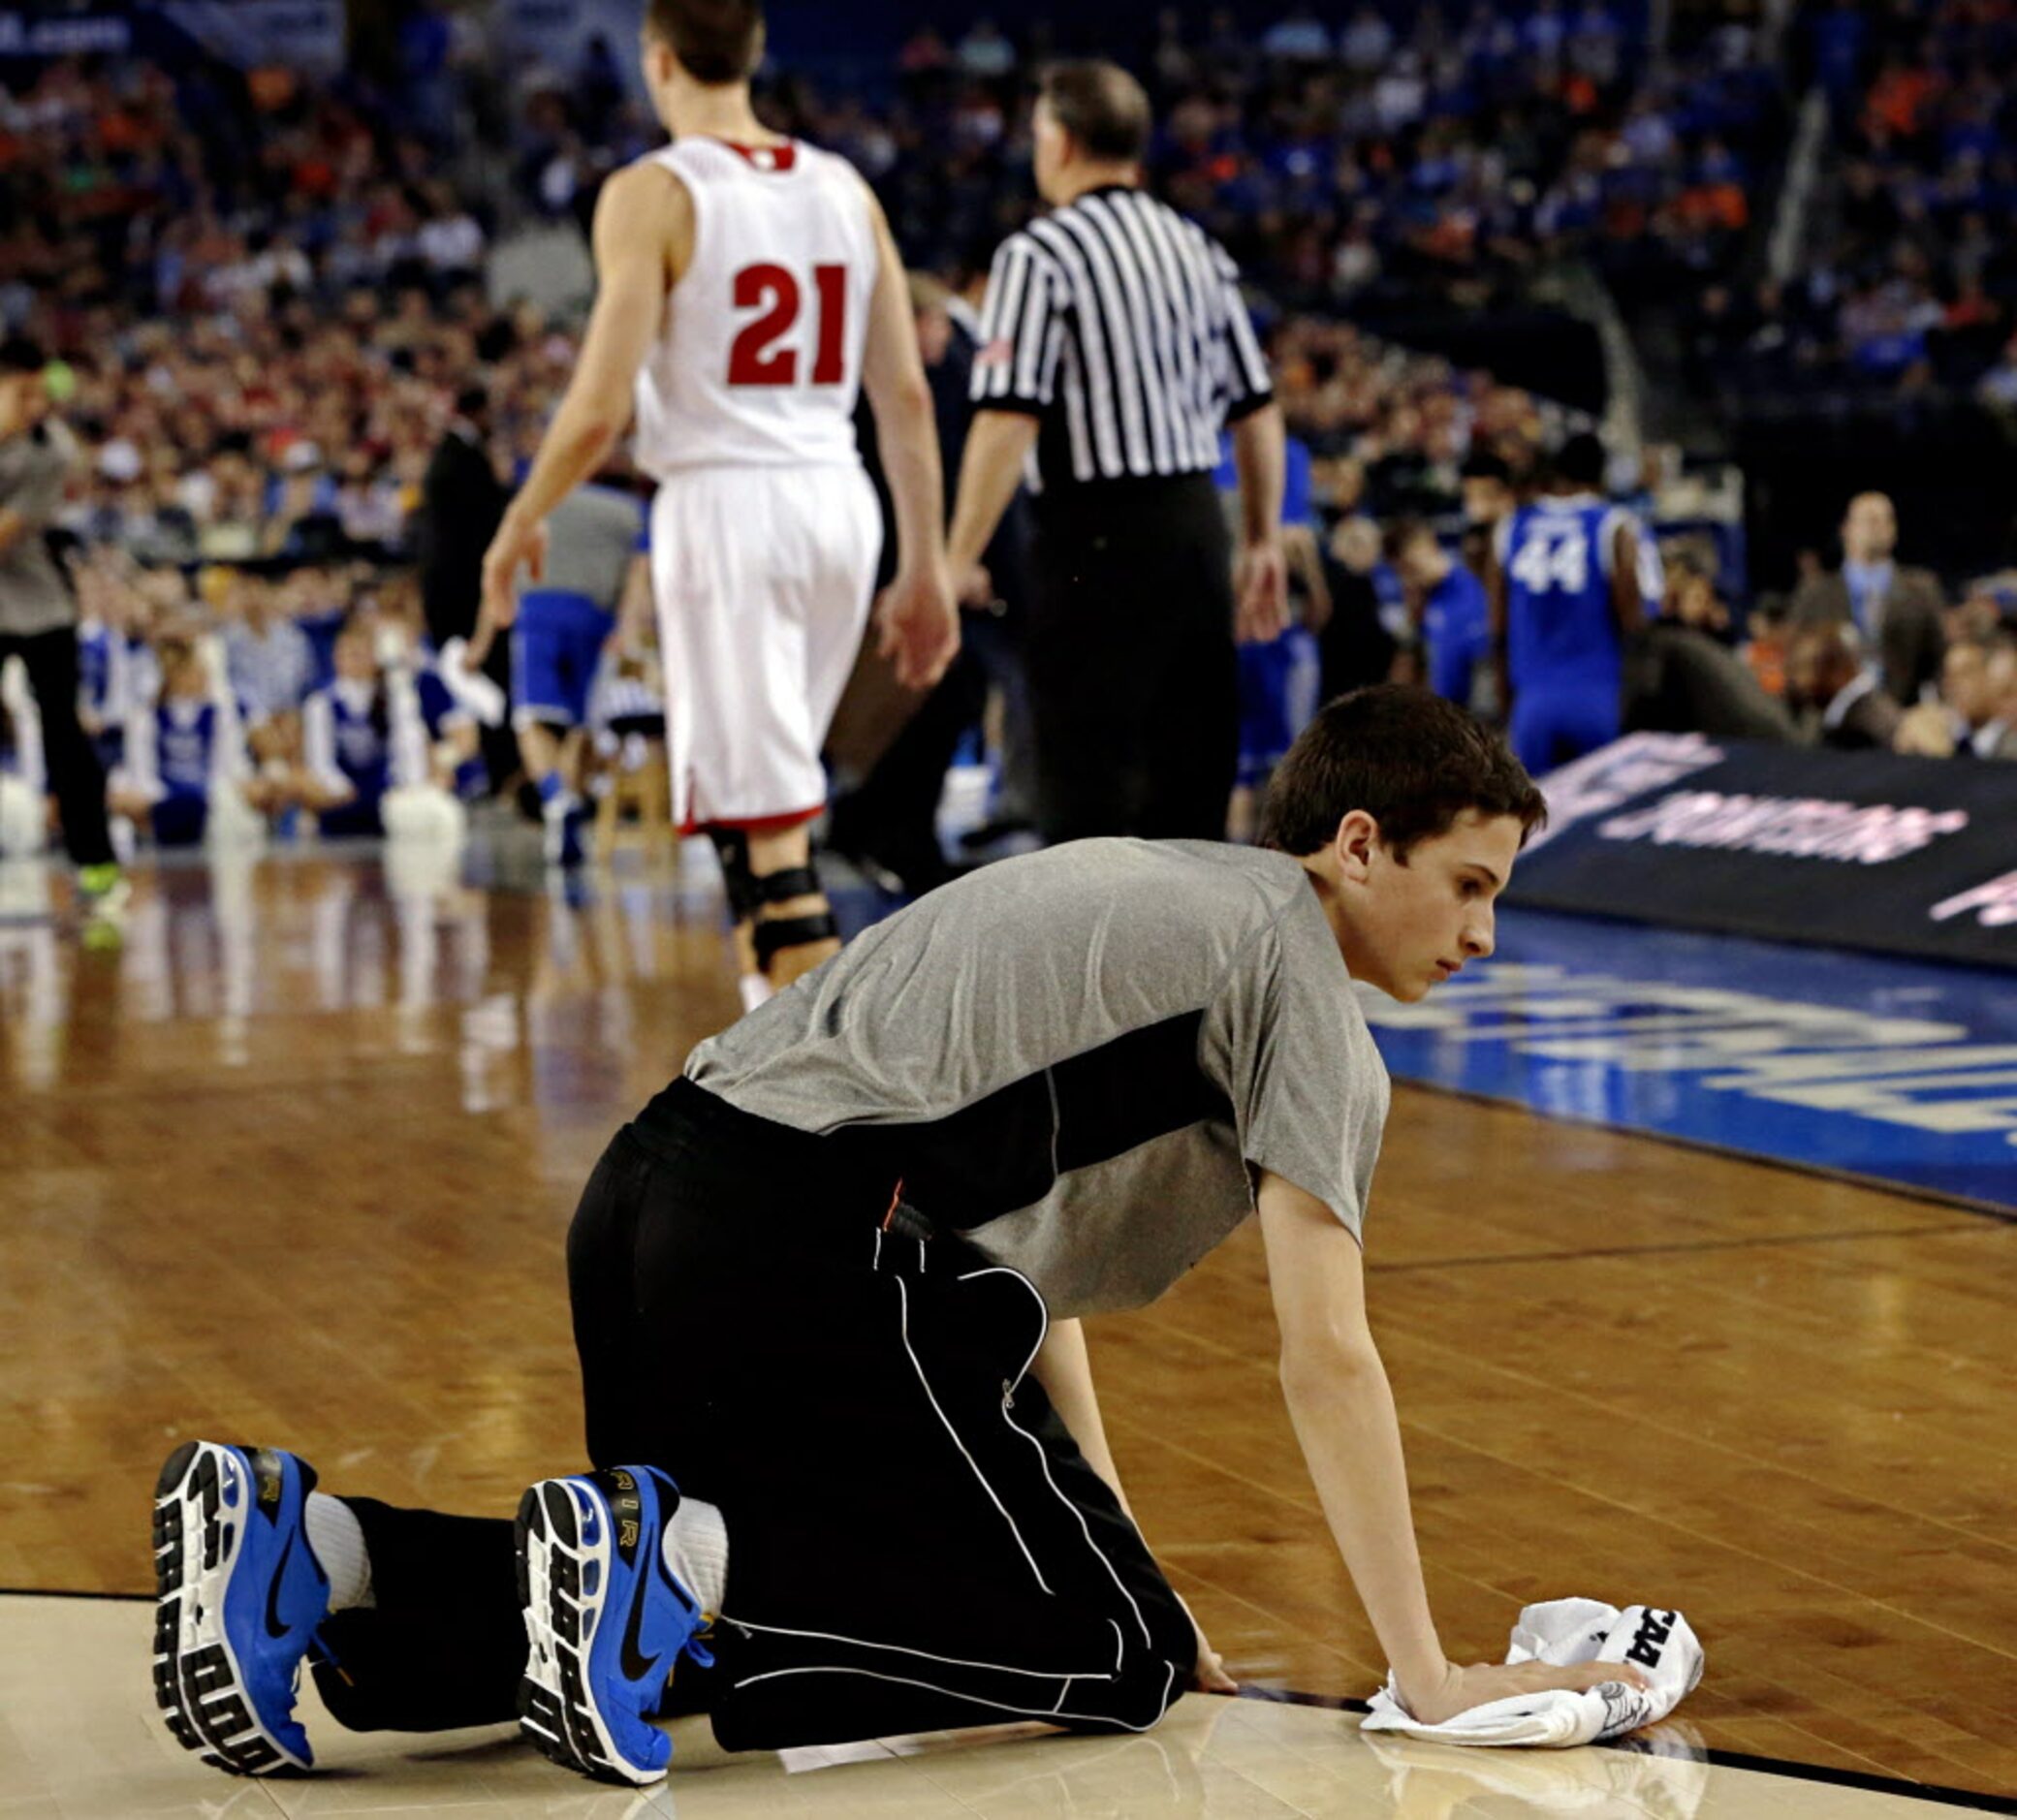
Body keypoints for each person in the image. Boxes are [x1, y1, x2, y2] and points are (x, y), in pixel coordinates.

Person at [151, 686, 1649, 1790]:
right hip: (807, 1225)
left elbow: (1024, 1277)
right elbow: (1328, 1356)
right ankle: (683, 1552)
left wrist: (1118, 1539)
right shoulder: (1298, 977)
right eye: (1471, 885)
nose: (1482, 936)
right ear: (1362, 844)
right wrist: (1430, 1673)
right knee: (1110, 1654)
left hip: (650, 1195)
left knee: (639, 1632)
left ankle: (318, 1554)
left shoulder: (1173, 896)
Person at [478, 0, 956, 1010]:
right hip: (840, 497)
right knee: (750, 812)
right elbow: (904, 396)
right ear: (753, 55)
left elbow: (600, 404)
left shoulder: (651, 192)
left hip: (728, 503)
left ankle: (843, 1118)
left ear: (656, 63)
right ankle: (770, 1059)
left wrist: (521, 516)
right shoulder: (844, 186)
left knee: (775, 840)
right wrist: (925, 566)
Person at [947, 59, 1288, 844]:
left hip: (1091, 536)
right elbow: (1258, 408)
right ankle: (1199, 967)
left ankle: (1097, 967)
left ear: (1059, 142)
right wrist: (1262, 538)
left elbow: (1007, 418)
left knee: (1087, 782)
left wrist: (955, 555)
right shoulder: (1193, 246)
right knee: (1192, 774)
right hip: (1196, 525)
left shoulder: (1039, 254)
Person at [469, 472, 648, 867]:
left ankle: (556, 796)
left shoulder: (534, 500)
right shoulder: (632, 512)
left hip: (538, 612)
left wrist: (480, 643)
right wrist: (628, 627)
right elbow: (640, 576)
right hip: (595, 619)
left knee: (531, 718)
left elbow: (499, 569)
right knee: (578, 724)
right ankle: (568, 801)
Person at [0, 335, 122, 905]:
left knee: (64, 733)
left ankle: (95, 863)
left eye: (39, 393)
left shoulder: (51, 449)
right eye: (22, 394)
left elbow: (3, 537)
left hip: (38, 602)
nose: (36, 406)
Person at [1489, 431, 1656, 773]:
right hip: (1598, 697)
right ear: (1602, 473)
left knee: (1535, 821)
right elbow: (1634, 624)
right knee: (1607, 818)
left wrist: (1507, 706)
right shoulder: (1615, 527)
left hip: (1532, 703)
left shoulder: (1510, 527)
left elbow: (1497, 628)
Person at [1789, 491, 1944, 705]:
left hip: (1902, 716)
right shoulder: (1815, 593)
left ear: (1894, 531)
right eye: (1868, 519)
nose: (1876, 525)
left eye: (1885, 519)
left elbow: (1940, 659)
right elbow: (1795, 660)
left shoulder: (1922, 590)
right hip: (1830, 717)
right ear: (1846, 529)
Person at [1387, 519, 1489, 710]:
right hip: (1448, 713)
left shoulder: (1475, 579)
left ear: (1427, 545)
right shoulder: (1424, 605)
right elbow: (1405, 673)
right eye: (1402, 572)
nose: (1409, 578)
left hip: (1484, 709)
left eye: (1410, 567)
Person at [1783, 622, 1902, 750]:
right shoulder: (1841, 716)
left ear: (1837, 669)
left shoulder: (1866, 722)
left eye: (1805, 669)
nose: (1798, 682)